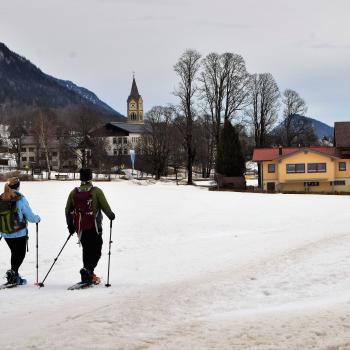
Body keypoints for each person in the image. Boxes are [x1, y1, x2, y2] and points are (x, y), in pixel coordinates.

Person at [65, 168, 115, 284]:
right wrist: (111, 215)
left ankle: (87, 272)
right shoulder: (96, 191)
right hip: (95, 227)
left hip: (80, 228)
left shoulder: (74, 192)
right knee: (96, 251)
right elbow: (105, 207)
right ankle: (88, 270)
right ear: (90, 177)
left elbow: (67, 210)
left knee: (86, 249)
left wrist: (70, 225)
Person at [0, 177, 40, 285]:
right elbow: (30, 216)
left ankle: (14, 274)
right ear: (18, 186)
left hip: (6, 233)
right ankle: (13, 273)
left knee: (15, 253)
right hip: (19, 233)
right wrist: (37, 219)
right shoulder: (19, 198)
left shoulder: (2, 197)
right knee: (20, 254)